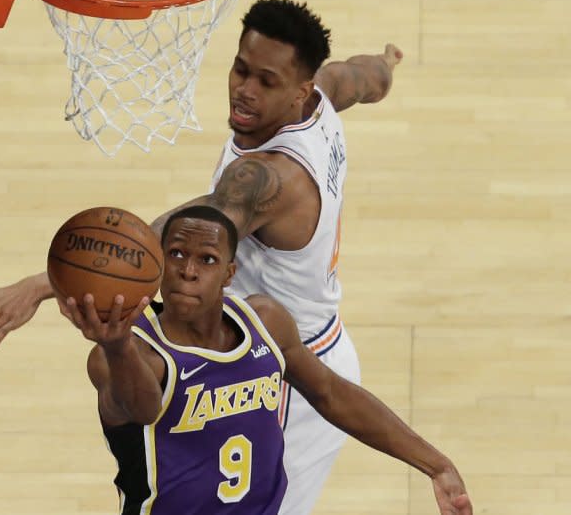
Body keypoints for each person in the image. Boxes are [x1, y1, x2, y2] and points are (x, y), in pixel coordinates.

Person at [0, 0, 405, 515]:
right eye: (240, 70)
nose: (244, 90)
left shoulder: (266, 178)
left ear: (298, 91)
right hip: (279, 343)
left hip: (286, 373)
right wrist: (387, 62)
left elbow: (174, 239)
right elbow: (367, 78)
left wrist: (40, 283)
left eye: (265, 82)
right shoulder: (322, 93)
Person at [60, 205, 471, 515]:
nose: (188, 270)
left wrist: (435, 465)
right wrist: (116, 347)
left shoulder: (265, 323)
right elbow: (144, 409)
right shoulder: (128, 354)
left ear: (229, 273)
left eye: (207, 259)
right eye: (177, 254)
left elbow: (332, 394)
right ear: (157, 265)